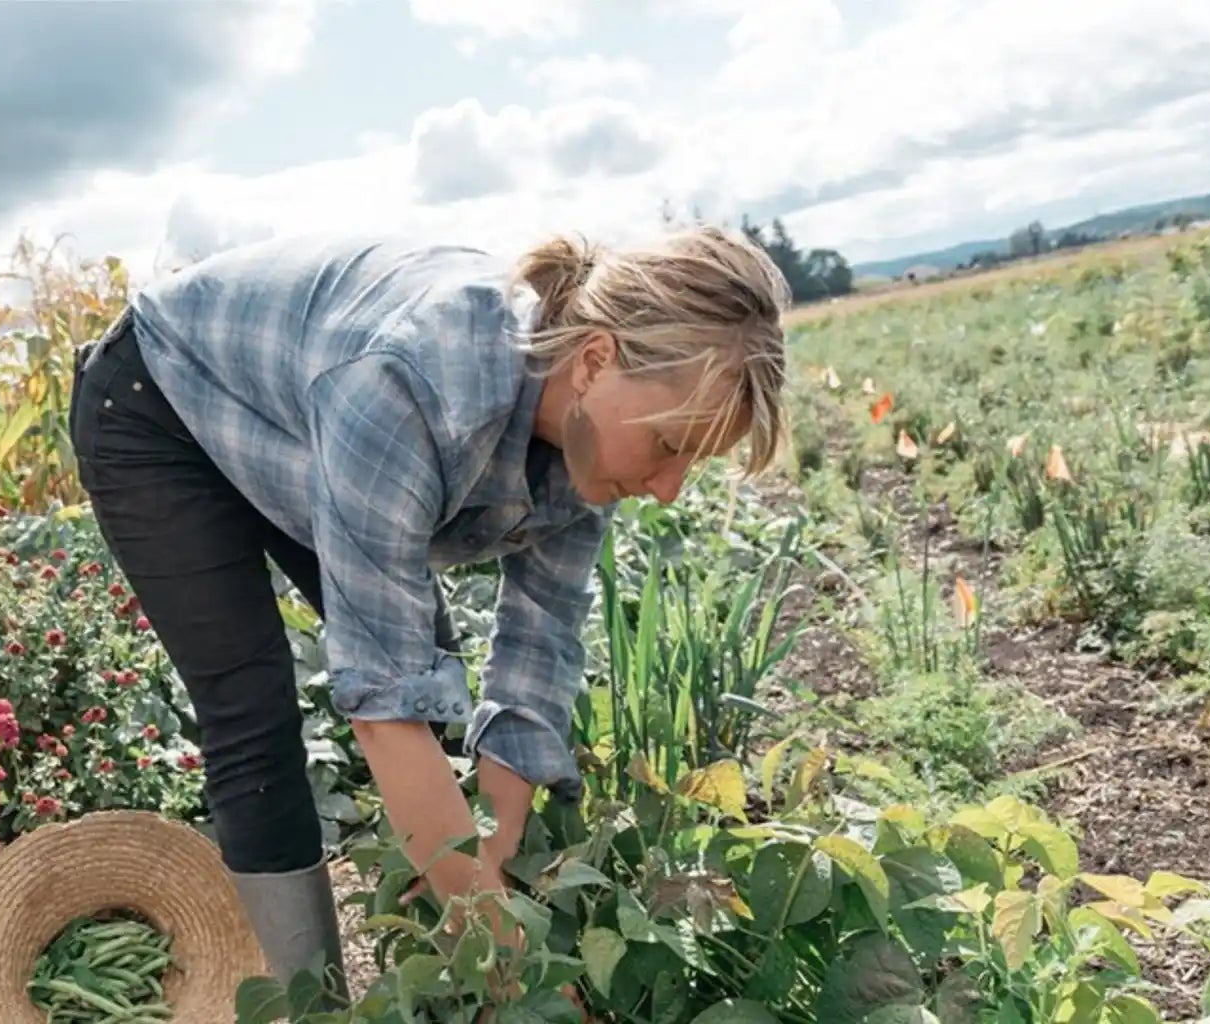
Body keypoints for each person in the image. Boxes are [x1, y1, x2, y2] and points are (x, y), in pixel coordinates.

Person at [66, 224, 791, 1004]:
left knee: (430, 665)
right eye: (672, 445)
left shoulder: (591, 444)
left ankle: (434, 918)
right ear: (594, 362)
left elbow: (535, 651)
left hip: (304, 418)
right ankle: (318, 1010)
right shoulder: (414, 382)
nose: (670, 487)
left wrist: (494, 852)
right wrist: (514, 969)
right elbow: (385, 707)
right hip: (160, 405)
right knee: (252, 705)